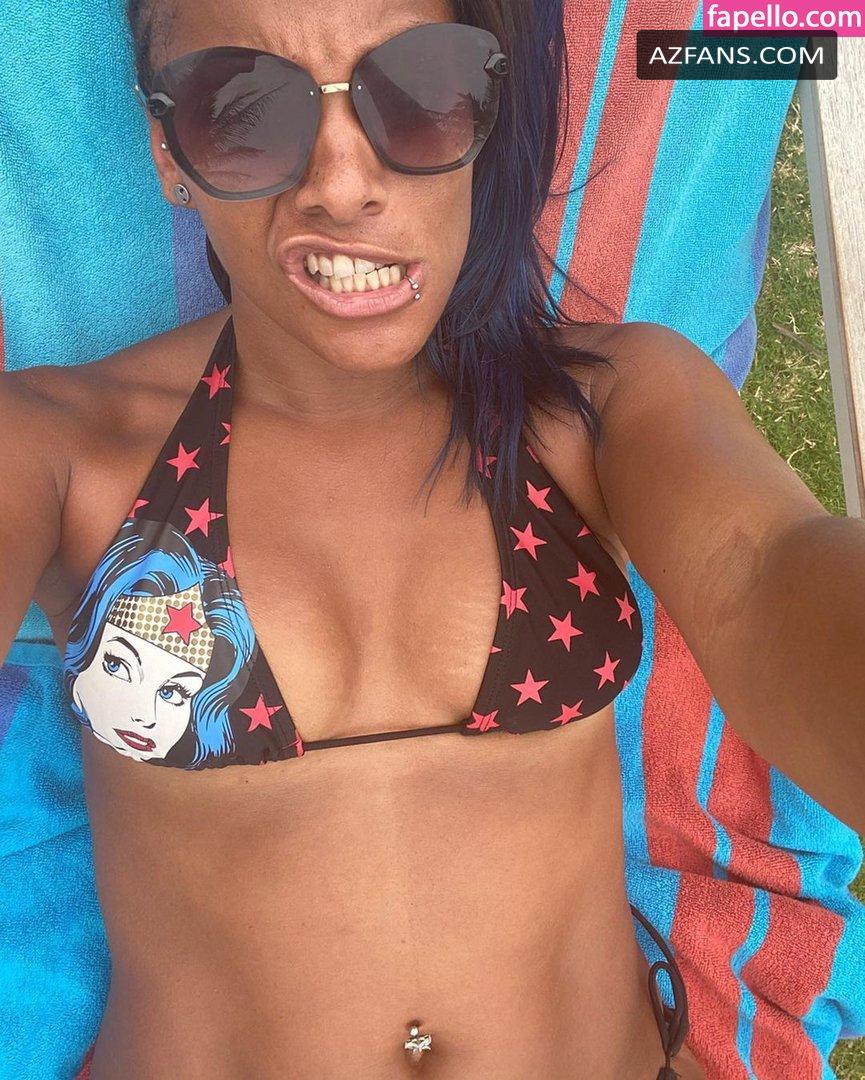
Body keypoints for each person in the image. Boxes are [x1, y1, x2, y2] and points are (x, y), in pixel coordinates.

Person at [1, 1, 861, 1077]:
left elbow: (763, 572)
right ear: (171, 152)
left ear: (486, 109)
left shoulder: (601, 405)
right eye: (242, 109)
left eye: (414, 90)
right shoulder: (58, 449)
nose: (341, 183)